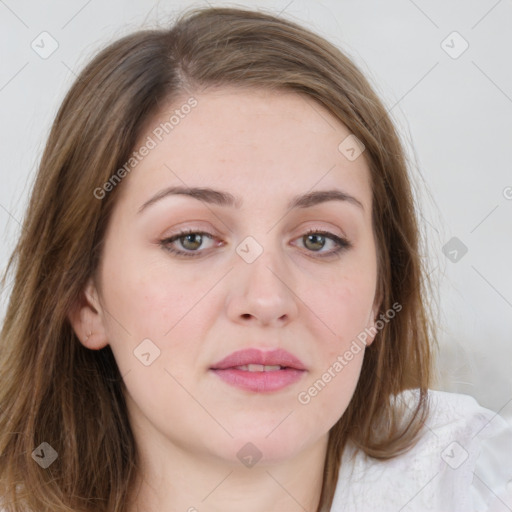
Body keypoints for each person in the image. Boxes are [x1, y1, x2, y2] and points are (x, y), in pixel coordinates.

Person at [0, 6, 510, 512]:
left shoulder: (475, 481)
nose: (266, 299)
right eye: (193, 239)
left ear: (381, 294)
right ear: (85, 299)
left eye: (318, 240)